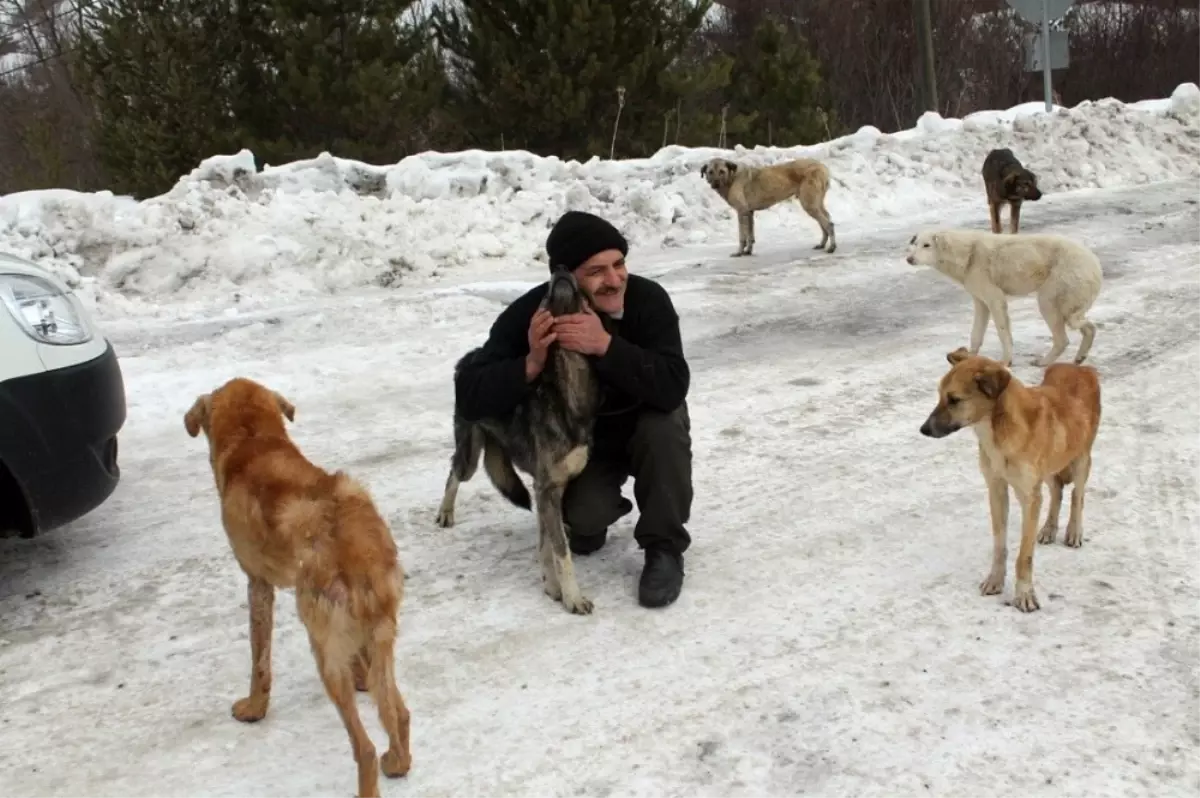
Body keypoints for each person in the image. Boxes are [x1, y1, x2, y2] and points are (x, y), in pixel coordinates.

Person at [453, 210, 694, 608]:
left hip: (642, 426)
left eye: (619, 264)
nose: (614, 279)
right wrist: (528, 363)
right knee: (583, 522)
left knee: (664, 426)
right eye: (597, 270)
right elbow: (470, 393)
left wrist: (606, 346)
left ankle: (664, 548)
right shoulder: (535, 313)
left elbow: (672, 384)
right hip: (582, 445)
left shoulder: (648, 300)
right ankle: (595, 513)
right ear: (565, 277)